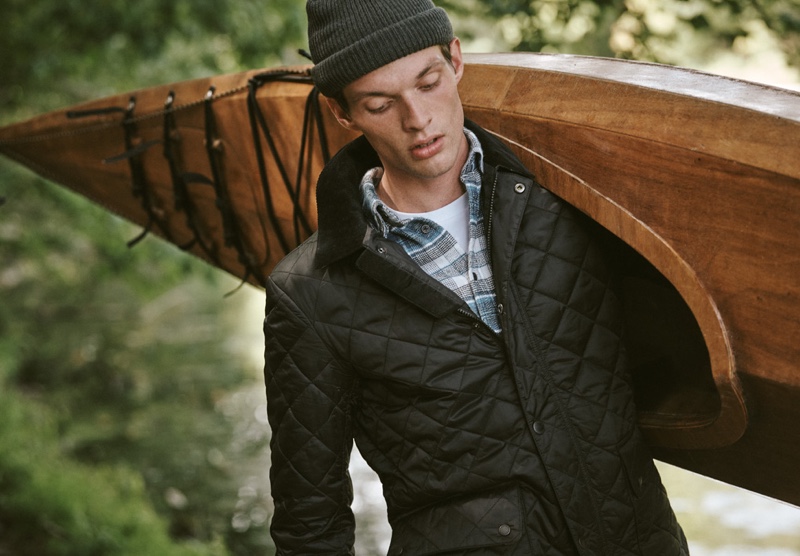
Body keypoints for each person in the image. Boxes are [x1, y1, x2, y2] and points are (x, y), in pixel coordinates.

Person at [263, 0, 689, 554]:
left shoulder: (571, 199)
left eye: (428, 82)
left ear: (457, 60)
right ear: (344, 113)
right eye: (379, 103)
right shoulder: (307, 294)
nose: (417, 119)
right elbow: (310, 521)